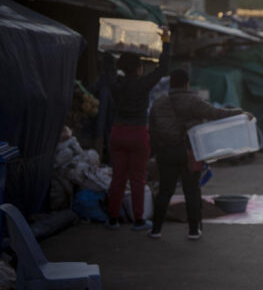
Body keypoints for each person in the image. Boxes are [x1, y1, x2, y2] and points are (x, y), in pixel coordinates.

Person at [147, 68, 249, 239]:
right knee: (192, 191)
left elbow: (152, 131)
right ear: (187, 84)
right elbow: (216, 114)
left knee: (165, 190)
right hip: (189, 152)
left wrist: (156, 152)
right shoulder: (194, 101)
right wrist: (241, 113)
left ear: (171, 83)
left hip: (165, 152)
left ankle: (156, 229)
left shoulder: (159, 103)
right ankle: (194, 231)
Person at [107, 30, 171, 231]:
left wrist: (110, 48)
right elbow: (163, 68)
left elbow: (107, 66)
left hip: (117, 132)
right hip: (137, 134)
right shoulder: (143, 84)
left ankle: (113, 219)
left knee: (117, 178)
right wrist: (166, 42)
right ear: (138, 68)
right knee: (137, 178)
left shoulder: (115, 84)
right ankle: (138, 220)